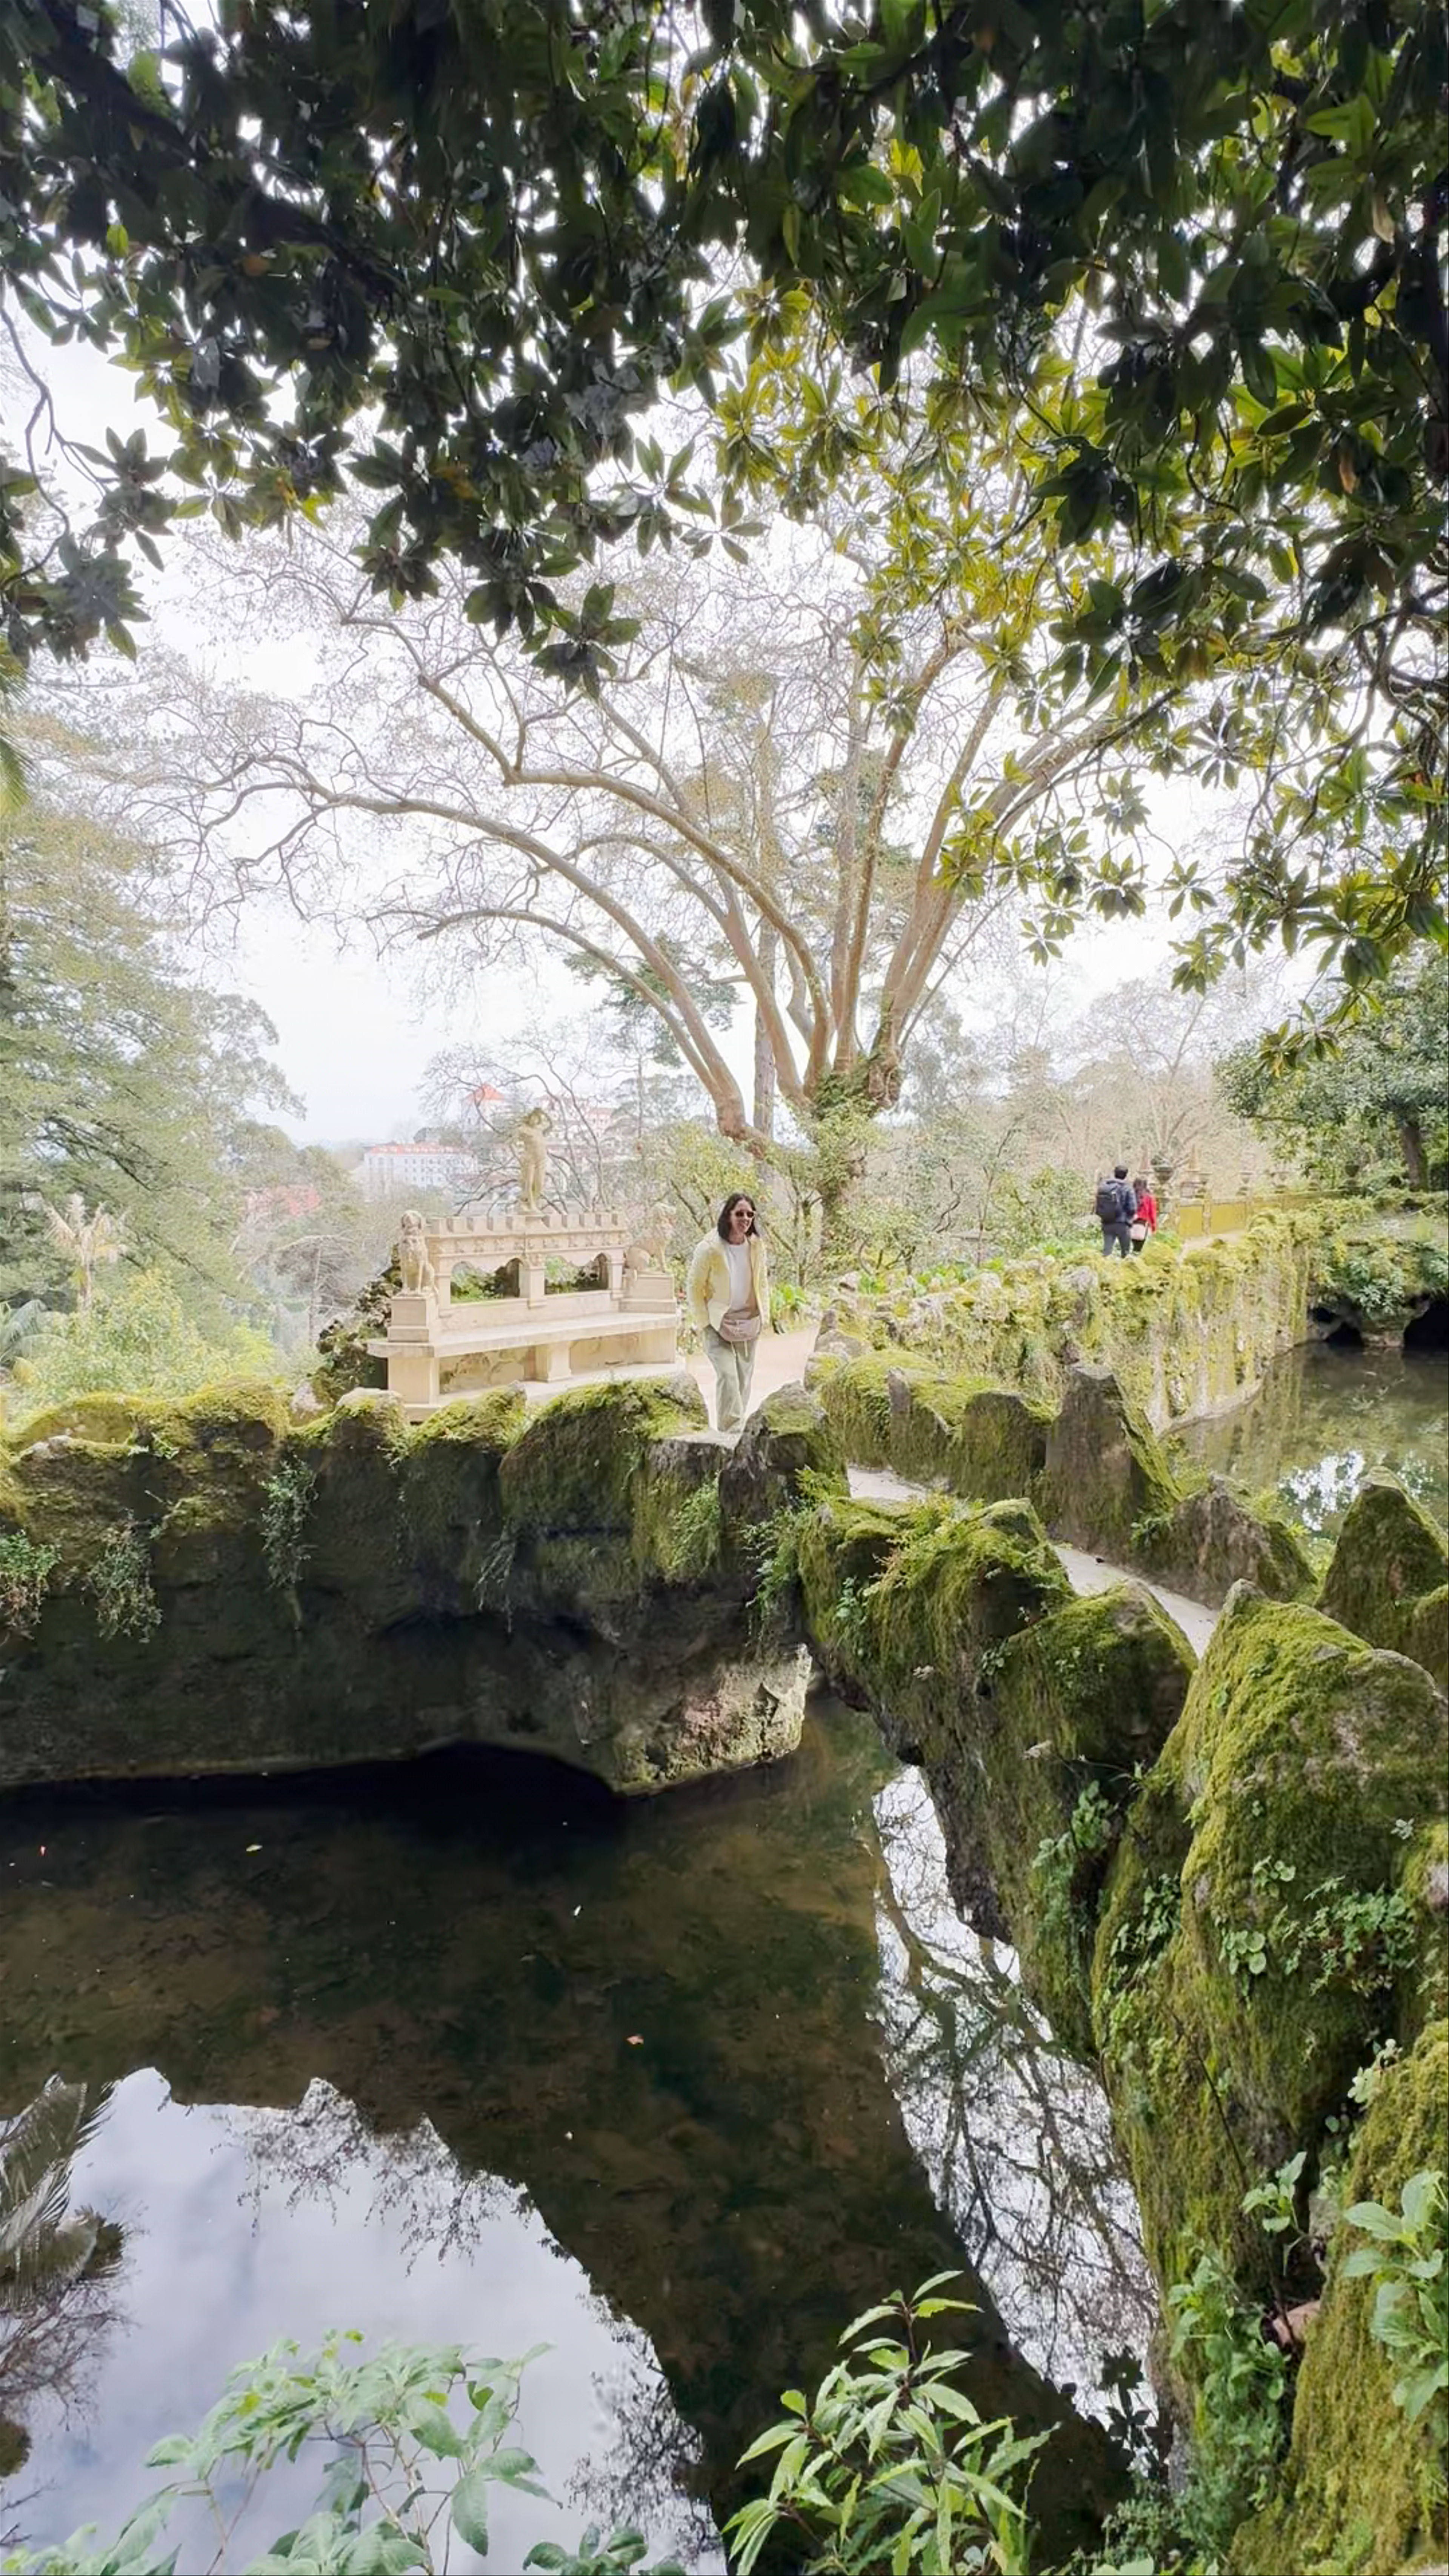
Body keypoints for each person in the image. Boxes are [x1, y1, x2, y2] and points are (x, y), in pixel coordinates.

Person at [686, 1190, 769, 1433]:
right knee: (728, 1377)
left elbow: (762, 1282)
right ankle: (732, 1433)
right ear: (728, 1215)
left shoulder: (757, 1246)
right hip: (718, 1323)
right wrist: (704, 1323)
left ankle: (733, 1427)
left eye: (750, 1214)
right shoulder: (710, 1248)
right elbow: (694, 1287)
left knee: (743, 1380)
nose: (745, 1219)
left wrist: (765, 1316)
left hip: (749, 1322)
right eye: (740, 1214)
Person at [1094, 1164, 1137, 1258]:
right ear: (1126, 1175)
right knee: (1125, 1253)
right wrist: (1129, 1218)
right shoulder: (1127, 1188)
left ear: (1115, 1173)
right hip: (1122, 1223)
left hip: (1107, 1222)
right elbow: (1132, 1208)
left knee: (1107, 1252)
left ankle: (1103, 1270)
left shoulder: (1105, 1187)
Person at [1130, 1174, 1158, 1252]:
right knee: (1138, 1249)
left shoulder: (1130, 1195)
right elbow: (1152, 1214)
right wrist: (1154, 1227)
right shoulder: (1149, 1197)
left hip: (1129, 1225)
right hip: (1143, 1225)